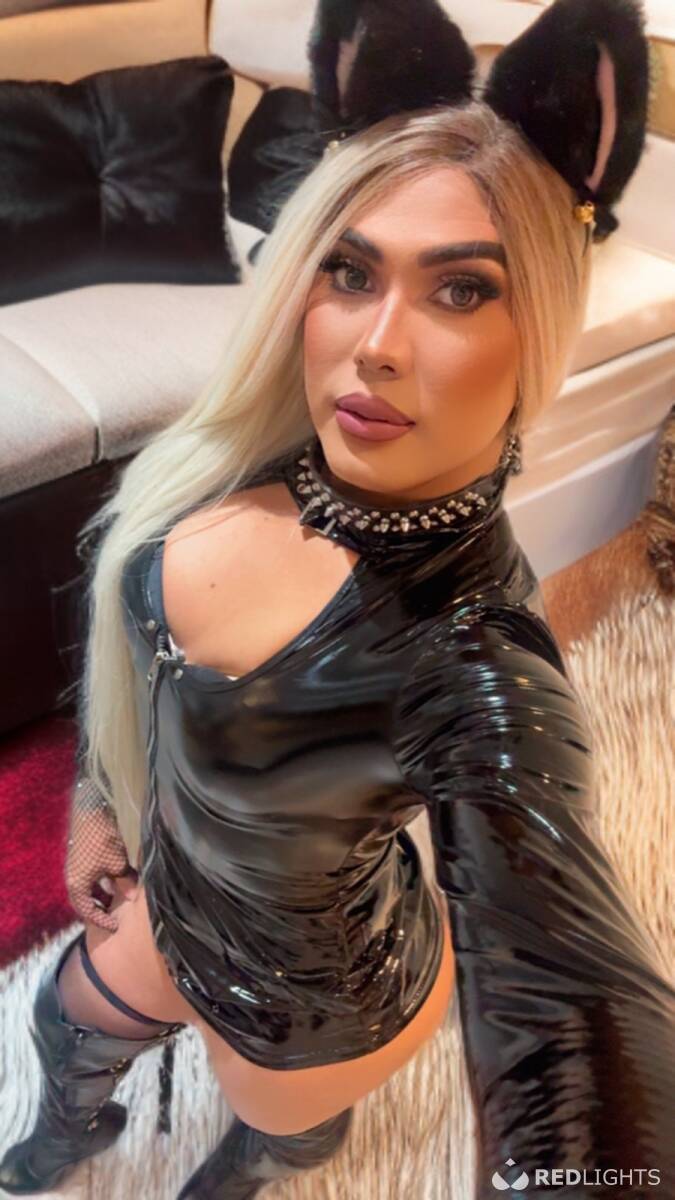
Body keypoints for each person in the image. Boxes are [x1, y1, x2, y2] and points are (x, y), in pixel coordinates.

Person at [2, 1, 674, 1197]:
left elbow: (571, 987)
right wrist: (99, 801)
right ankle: (68, 1138)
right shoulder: (249, 456)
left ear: (540, 326)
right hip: (179, 899)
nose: (376, 343)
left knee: (273, 1140)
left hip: (312, 1005)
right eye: (351, 273)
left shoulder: (476, 656)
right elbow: (137, 655)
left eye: (460, 291)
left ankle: (266, 1165)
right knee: (63, 1027)